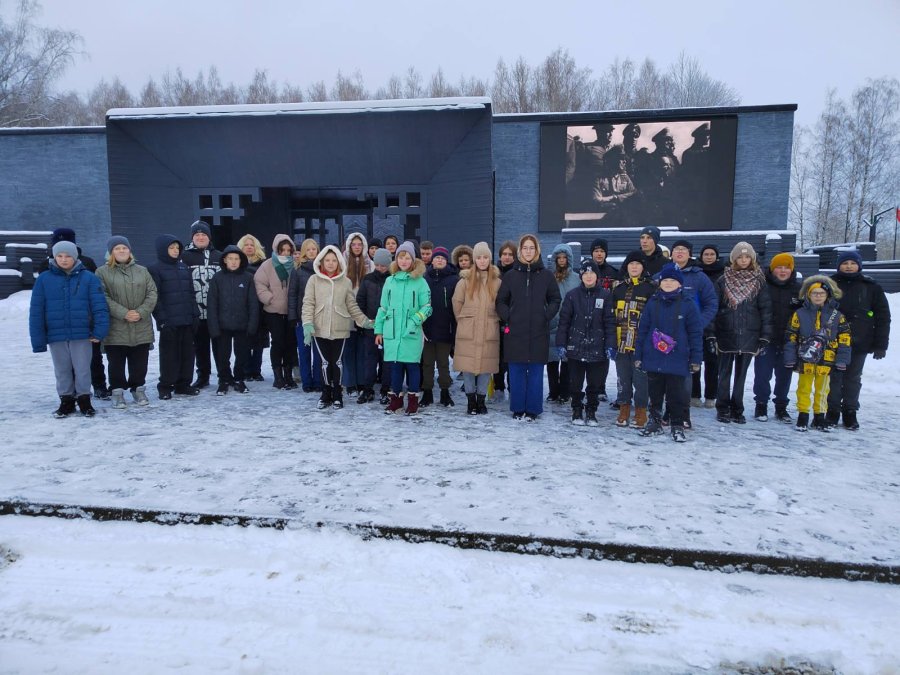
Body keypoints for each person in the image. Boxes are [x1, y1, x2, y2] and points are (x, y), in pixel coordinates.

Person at [30, 240, 110, 417]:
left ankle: (84, 400)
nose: (64, 259)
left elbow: (99, 306)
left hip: (82, 334)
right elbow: (36, 310)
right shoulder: (44, 279)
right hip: (56, 334)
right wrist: (38, 340)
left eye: (68, 256)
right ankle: (66, 401)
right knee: (62, 369)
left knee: (83, 368)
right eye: (60, 256)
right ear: (54, 257)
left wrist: (99, 331)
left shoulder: (88, 278)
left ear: (75, 257)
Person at [634, 263, 703, 442]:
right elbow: (643, 330)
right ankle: (655, 422)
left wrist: (696, 358)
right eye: (666, 280)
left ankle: (677, 425)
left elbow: (695, 333)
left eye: (673, 280)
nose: (669, 283)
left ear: (680, 283)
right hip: (654, 355)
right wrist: (638, 355)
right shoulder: (653, 302)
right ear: (660, 282)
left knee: (676, 395)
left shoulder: (688, 304)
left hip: (678, 357)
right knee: (655, 393)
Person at [495, 235, 561, 421]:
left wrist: (545, 316)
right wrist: (509, 317)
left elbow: (555, 299)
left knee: (535, 373)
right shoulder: (511, 275)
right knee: (516, 372)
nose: (528, 251)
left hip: (538, 332)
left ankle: (532, 409)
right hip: (515, 332)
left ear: (537, 250)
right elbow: (501, 301)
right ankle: (517, 408)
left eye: (532, 248)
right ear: (520, 251)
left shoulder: (546, 275)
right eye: (525, 248)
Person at [826, 250, 891, 430]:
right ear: (838, 265)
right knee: (834, 377)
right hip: (832, 342)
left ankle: (850, 411)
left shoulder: (871, 287)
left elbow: (883, 317)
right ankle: (832, 410)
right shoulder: (828, 285)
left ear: (859, 266)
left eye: (852, 263)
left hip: (859, 341)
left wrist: (880, 345)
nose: (848, 266)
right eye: (845, 263)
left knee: (853, 378)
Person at [301, 245, 372, 410]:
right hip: (319, 327)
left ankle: (337, 393)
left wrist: (364, 321)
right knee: (325, 363)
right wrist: (307, 323)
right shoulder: (314, 280)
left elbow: (352, 305)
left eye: (334, 260)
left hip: (340, 327)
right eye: (327, 260)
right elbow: (308, 303)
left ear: (339, 262)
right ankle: (326, 393)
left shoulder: (345, 282)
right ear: (321, 262)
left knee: (338, 362)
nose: (331, 263)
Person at [712, 242, 772, 425]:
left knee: (741, 376)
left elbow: (766, 310)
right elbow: (714, 308)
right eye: (740, 257)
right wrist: (711, 333)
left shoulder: (759, 281)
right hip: (726, 333)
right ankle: (722, 408)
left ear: (752, 259)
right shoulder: (723, 280)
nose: (744, 260)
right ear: (734, 259)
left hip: (749, 334)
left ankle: (737, 409)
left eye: (747, 257)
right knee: (724, 374)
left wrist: (764, 336)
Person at [96, 236, 158, 409]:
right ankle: (117, 392)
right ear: (111, 252)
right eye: (117, 248)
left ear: (130, 251)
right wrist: (124, 313)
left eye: (124, 248)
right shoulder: (102, 272)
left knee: (140, 361)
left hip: (141, 324)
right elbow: (102, 296)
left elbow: (152, 292)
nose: (121, 251)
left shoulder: (142, 270)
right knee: (116, 362)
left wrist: (141, 312)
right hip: (116, 326)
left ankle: (138, 389)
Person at [784, 276, 851, 432]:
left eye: (821, 293)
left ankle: (819, 416)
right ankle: (803, 414)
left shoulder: (838, 316)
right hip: (805, 358)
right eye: (814, 293)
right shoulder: (799, 313)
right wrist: (789, 357)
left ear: (827, 295)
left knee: (823, 390)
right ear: (808, 295)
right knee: (804, 388)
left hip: (827, 359)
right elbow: (791, 336)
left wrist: (842, 360)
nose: (818, 296)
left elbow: (845, 338)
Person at [556, 259, 617, 426]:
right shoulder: (572, 296)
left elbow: (610, 322)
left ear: (597, 276)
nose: (589, 276)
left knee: (594, 383)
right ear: (581, 276)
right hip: (576, 346)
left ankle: (591, 411)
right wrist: (561, 344)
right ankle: (576, 409)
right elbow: (564, 322)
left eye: (592, 273)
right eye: (585, 273)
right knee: (575, 383)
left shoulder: (605, 295)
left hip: (598, 348)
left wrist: (611, 345)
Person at [375, 241, 432, 415]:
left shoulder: (420, 282)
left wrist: (416, 319)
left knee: (413, 367)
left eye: (407, 257)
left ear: (413, 260)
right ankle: (396, 401)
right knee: (395, 367)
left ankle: (413, 401)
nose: (404, 261)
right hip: (392, 332)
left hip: (411, 332)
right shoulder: (390, 281)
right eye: (401, 257)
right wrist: (378, 330)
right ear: (396, 259)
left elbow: (427, 307)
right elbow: (383, 307)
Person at [667, 239, 718, 428]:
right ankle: (667, 410)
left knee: (685, 374)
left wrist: (697, 325)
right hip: (665, 334)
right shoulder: (664, 273)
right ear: (671, 253)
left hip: (688, 334)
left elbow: (711, 303)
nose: (679, 253)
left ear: (690, 254)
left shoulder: (699, 277)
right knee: (666, 373)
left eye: (684, 250)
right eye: (676, 249)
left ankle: (683, 412)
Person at [452, 242, 501, 415]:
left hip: (489, 330)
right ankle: (470, 401)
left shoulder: (497, 282)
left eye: (485, 257)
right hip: (469, 330)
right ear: (474, 259)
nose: (482, 261)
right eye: (479, 257)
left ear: (490, 259)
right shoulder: (465, 281)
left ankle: (481, 401)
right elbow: (457, 304)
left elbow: (501, 305)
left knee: (486, 368)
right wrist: (465, 320)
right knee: (468, 368)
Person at [148, 235, 199, 399]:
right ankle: (165, 386)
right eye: (171, 248)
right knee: (169, 356)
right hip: (169, 322)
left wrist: (195, 314)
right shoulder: (155, 269)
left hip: (186, 320)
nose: (175, 251)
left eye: (177, 248)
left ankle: (183, 385)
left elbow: (191, 293)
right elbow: (155, 297)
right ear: (163, 249)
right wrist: (162, 320)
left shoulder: (184, 268)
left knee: (187, 354)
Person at [753, 252, 802, 423]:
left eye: (786, 268)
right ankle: (761, 404)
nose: (782, 271)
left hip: (789, 341)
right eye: (779, 267)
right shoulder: (762, 286)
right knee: (762, 375)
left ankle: (781, 407)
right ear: (772, 270)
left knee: (784, 375)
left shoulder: (799, 289)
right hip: (766, 339)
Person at [207, 245, 260, 396]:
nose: (234, 262)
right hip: (222, 325)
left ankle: (239, 379)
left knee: (242, 354)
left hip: (242, 325)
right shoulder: (217, 278)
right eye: (230, 258)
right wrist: (214, 327)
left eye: (236, 259)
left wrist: (252, 325)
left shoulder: (247, 277)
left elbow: (253, 303)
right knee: (222, 355)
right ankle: (224, 380)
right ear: (224, 260)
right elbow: (212, 304)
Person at [612, 251, 655, 428]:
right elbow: (611, 314)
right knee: (623, 378)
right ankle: (624, 407)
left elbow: (654, 317)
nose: (634, 267)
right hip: (621, 342)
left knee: (641, 379)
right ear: (626, 267)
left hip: (640, 343)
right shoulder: (619, 288)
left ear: (643, 267)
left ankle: (641, 410)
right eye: (631, 264)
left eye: (638, 264)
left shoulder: (651, 288)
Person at [181, 221, 222, 389]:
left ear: (209, 237)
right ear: (192, 237)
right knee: (200, 347)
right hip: (196, 310)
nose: (200, 237)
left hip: (216, 311)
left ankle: (224, 375)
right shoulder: (184, 256)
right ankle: (203, 376)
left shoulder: (219, 256)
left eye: (203, 234)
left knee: (220, 346)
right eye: (197, 235)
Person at [254, 234, 298, 390]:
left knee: (290, 343)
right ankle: (278, 376)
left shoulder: (295, 265)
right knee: (278, 342)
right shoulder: (267, 265)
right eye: (282, 250)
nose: (285, 253)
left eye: (288, 250)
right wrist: (269, 298)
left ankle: (288, 375)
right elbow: (259, 283)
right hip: (273, 311)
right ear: (276, 250)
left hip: (291, 311)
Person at [421, 245, 458, 407]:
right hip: (427, 329)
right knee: (427, 363)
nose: (439, 260)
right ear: (432, 261)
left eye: (442, 258)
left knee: (443, 363)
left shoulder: (454, 279)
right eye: (437, 258)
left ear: (446, 261)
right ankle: (427, 392)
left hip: (445, 328)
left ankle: (445, 392)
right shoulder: (424, 278)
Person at [357, 248, 392, 404]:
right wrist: (363, 322)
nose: (380, 268)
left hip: (388, 327)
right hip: (370, 326)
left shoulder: (392, 279)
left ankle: (386, 389)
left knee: (387, 360)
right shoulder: (367, 279)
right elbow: (360, 301)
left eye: (383, 265)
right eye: (377, 265)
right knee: (370, 360)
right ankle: (368, 389)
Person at [546, 243, 580, 403]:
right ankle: (553, 392)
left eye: (564, 257)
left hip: (569, 324)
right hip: (551, 322)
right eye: (558, 257)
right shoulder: (548, 277)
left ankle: (565, 392)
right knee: (552, 360)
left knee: (567, 361)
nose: (561, 260)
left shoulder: (576, 278)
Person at [287, 238, 322, 392]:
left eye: (314, 249)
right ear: (303, 253)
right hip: (303, 318)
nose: (311, 252)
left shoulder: (323, 269)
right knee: (304, 351)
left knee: (319, 353)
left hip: (320, 317)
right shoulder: (297, 270)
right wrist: (293, 316)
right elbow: (292, 295)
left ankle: (319, 381)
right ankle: (307, 382)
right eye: (308, 250)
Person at [342, 232, 373, 397]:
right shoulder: (342, 263)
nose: (356, 247)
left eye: (359, 244)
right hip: (346, 312)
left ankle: (361, 381)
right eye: (353, 244)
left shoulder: (370, 264)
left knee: (363, 351)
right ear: (348, 245)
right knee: (348, 350)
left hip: (364, 313)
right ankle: (349, 383)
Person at [694, 245, 725, 407]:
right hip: (696, 321)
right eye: (706, 254)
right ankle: (694, 395)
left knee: (713, 362)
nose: (709, 256)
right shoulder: (696, 272)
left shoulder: (723, 274)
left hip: (715, 323)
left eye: (712, 254)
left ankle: (711, 396)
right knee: (695, 360)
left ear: (717, 256)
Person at [237, 234, 268, 381]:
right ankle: (245, 369)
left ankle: (256, 370)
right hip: (242, 308)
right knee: (243, 341)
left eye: (252, 244)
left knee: (258, 342)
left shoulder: (263, 264)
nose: (249, 247)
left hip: (260, 307)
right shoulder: (236, 264)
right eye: (246, 244)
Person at [493, 240, 518, 396]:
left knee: (510, 357)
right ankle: (498, 387)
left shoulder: (518, 273)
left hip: (512, 320)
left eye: (510, 254)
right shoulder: (494, 273)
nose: (507, 257)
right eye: (504, 254)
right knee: (496, 356)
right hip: (495, 320)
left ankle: (512, 387)